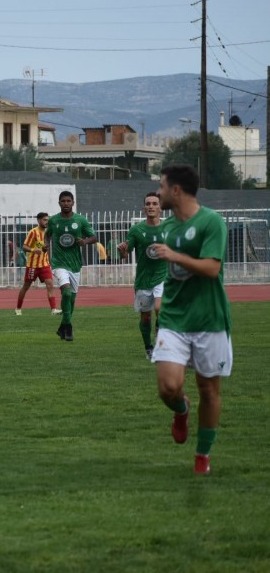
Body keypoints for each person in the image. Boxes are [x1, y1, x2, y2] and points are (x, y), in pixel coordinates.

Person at [151, 163, 232, 475]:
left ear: (175, 190)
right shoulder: (168, 229)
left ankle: (202, 455)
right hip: (174, 320)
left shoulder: (212, 222)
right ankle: (180, 410)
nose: (158, 193)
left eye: (161, 187)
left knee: (209, 390)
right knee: (168, 388)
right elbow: (171, 275)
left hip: (210, 319)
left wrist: (176, 256)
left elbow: (212, 269)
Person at [117, 192, 167, 359]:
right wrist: (122, 251)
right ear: (143, 208)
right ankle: (148, 347)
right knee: (146, 317)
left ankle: (161, 343)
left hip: (163, 276)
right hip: (144, 280)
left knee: (161, 309)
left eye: (154, 203)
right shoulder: (136, 230)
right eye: (148, 204)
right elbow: (125, 254)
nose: (151, 206)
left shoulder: (169, 228)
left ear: (160, 207)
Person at [46, 190, 97, 341]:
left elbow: (94, 237)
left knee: (72, 299)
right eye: (63, 201)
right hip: (58, 263)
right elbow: (48, 234)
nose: (66, 203)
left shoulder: (80, 220)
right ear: (59, 203)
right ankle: (68, 328)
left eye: (69, 201)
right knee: (66, 293)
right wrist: (46, 245)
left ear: (73, 203)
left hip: (75, 264)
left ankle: (62, 327)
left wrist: (85, 241)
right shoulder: (54, 220)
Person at [15, 212, 60, 316]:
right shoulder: (33, 232)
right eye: (45, 220)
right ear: (39, 220)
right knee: (26, 287)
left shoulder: (48, 233)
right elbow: (24, 246)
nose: (47, 222)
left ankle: (53, 309)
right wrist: (33, 250)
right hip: (33, 266)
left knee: (50, 285)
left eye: (48, 220)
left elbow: (45, 248)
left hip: (44, 264)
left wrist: (48, 259)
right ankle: (18, 308)